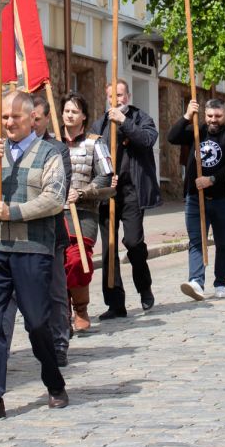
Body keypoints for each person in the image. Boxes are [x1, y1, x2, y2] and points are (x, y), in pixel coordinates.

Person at [0, 91, 68, 422]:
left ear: (32, 117)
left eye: (15, 117)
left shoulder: (48, 153)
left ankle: (53, 380)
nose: (8, 123)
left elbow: (54, 198)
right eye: (4, 117)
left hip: (32, 250)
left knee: (36, 323)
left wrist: (13, 211)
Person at [0, 94, 75, 367]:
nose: (35, 124)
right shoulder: (3, 149)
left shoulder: (56, 150)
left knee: (54, 292)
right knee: (5, 301)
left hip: (48, 235)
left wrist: (16, 209)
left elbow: (54, 193)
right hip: (9, 238)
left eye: (38, 119)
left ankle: (59, 343)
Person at [91, 80, 159, 319]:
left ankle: (144, 288)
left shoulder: (141, 118)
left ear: (127, 95)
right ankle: (115, 303)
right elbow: (91, 154)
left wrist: (124, 122)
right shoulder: (99, 124)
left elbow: (148, 140)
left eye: (120, 95)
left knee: (132, 242)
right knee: (109, 248)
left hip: (132, 191)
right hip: (107, 192)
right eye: (112, 96)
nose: (116, 100)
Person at [169, 98, 225, 301]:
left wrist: (212, 179)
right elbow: (172, 137)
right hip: (195, 197)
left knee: (223, 242)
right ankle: (196, 282)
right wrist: (186, 116)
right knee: (196, 241)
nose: (213, 120)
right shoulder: (197, 131)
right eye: (209, 116)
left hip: (222, 199)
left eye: (217, 116)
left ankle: (220, 282)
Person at [60, 92, 115, 334]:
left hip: (84, 213)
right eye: (66, 111)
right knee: (57, 263)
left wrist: (82, 193)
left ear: (83, 116)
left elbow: (106, 179)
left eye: (74, 111)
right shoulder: (51, 142)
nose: (69, 115)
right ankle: (63, 310)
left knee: (78, 262)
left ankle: (80, 308)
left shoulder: (95, 143)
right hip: (54, 213)